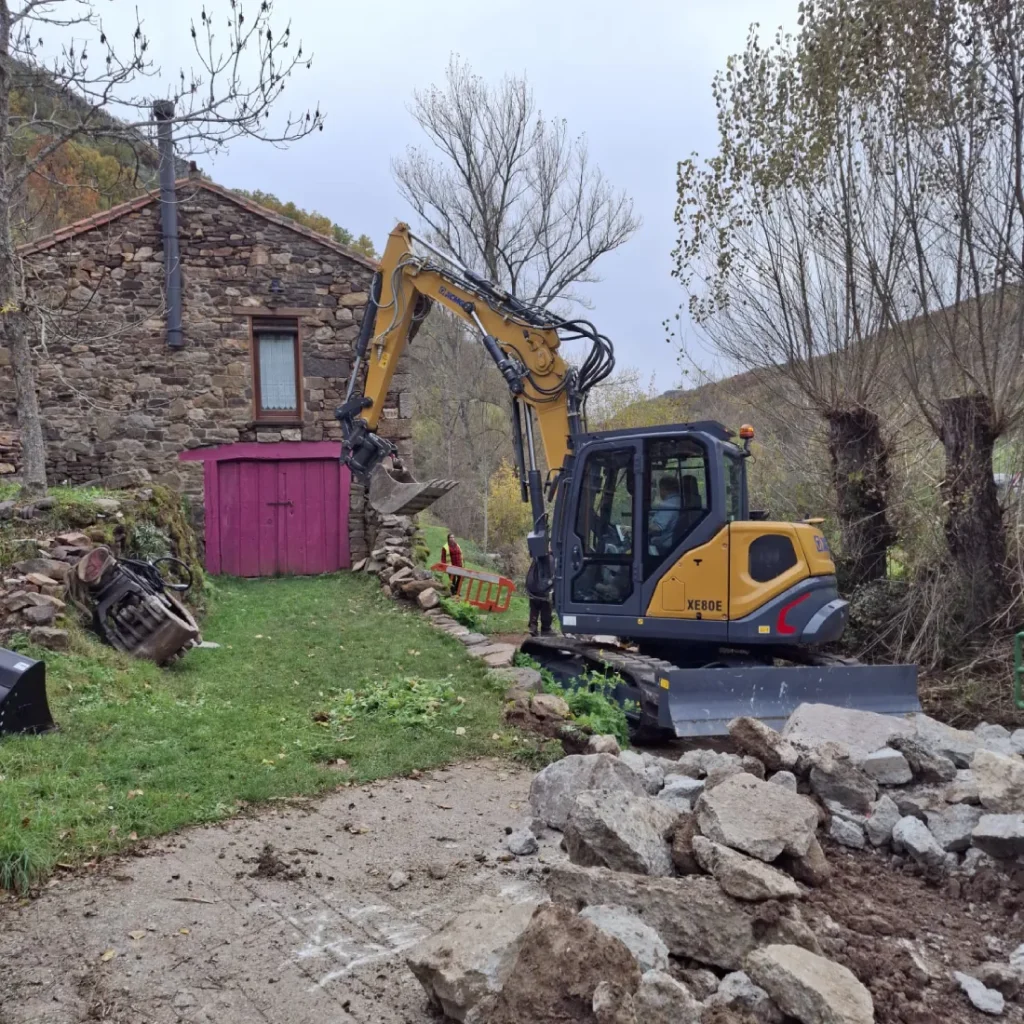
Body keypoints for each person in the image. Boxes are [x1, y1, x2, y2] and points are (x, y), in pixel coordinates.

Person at [649, 475, 682, 555]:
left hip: (664, 548)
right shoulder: (681, 501)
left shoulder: (668, 505)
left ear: (663, 489)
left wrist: (634, 530)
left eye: (660, 490)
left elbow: (656, 528)